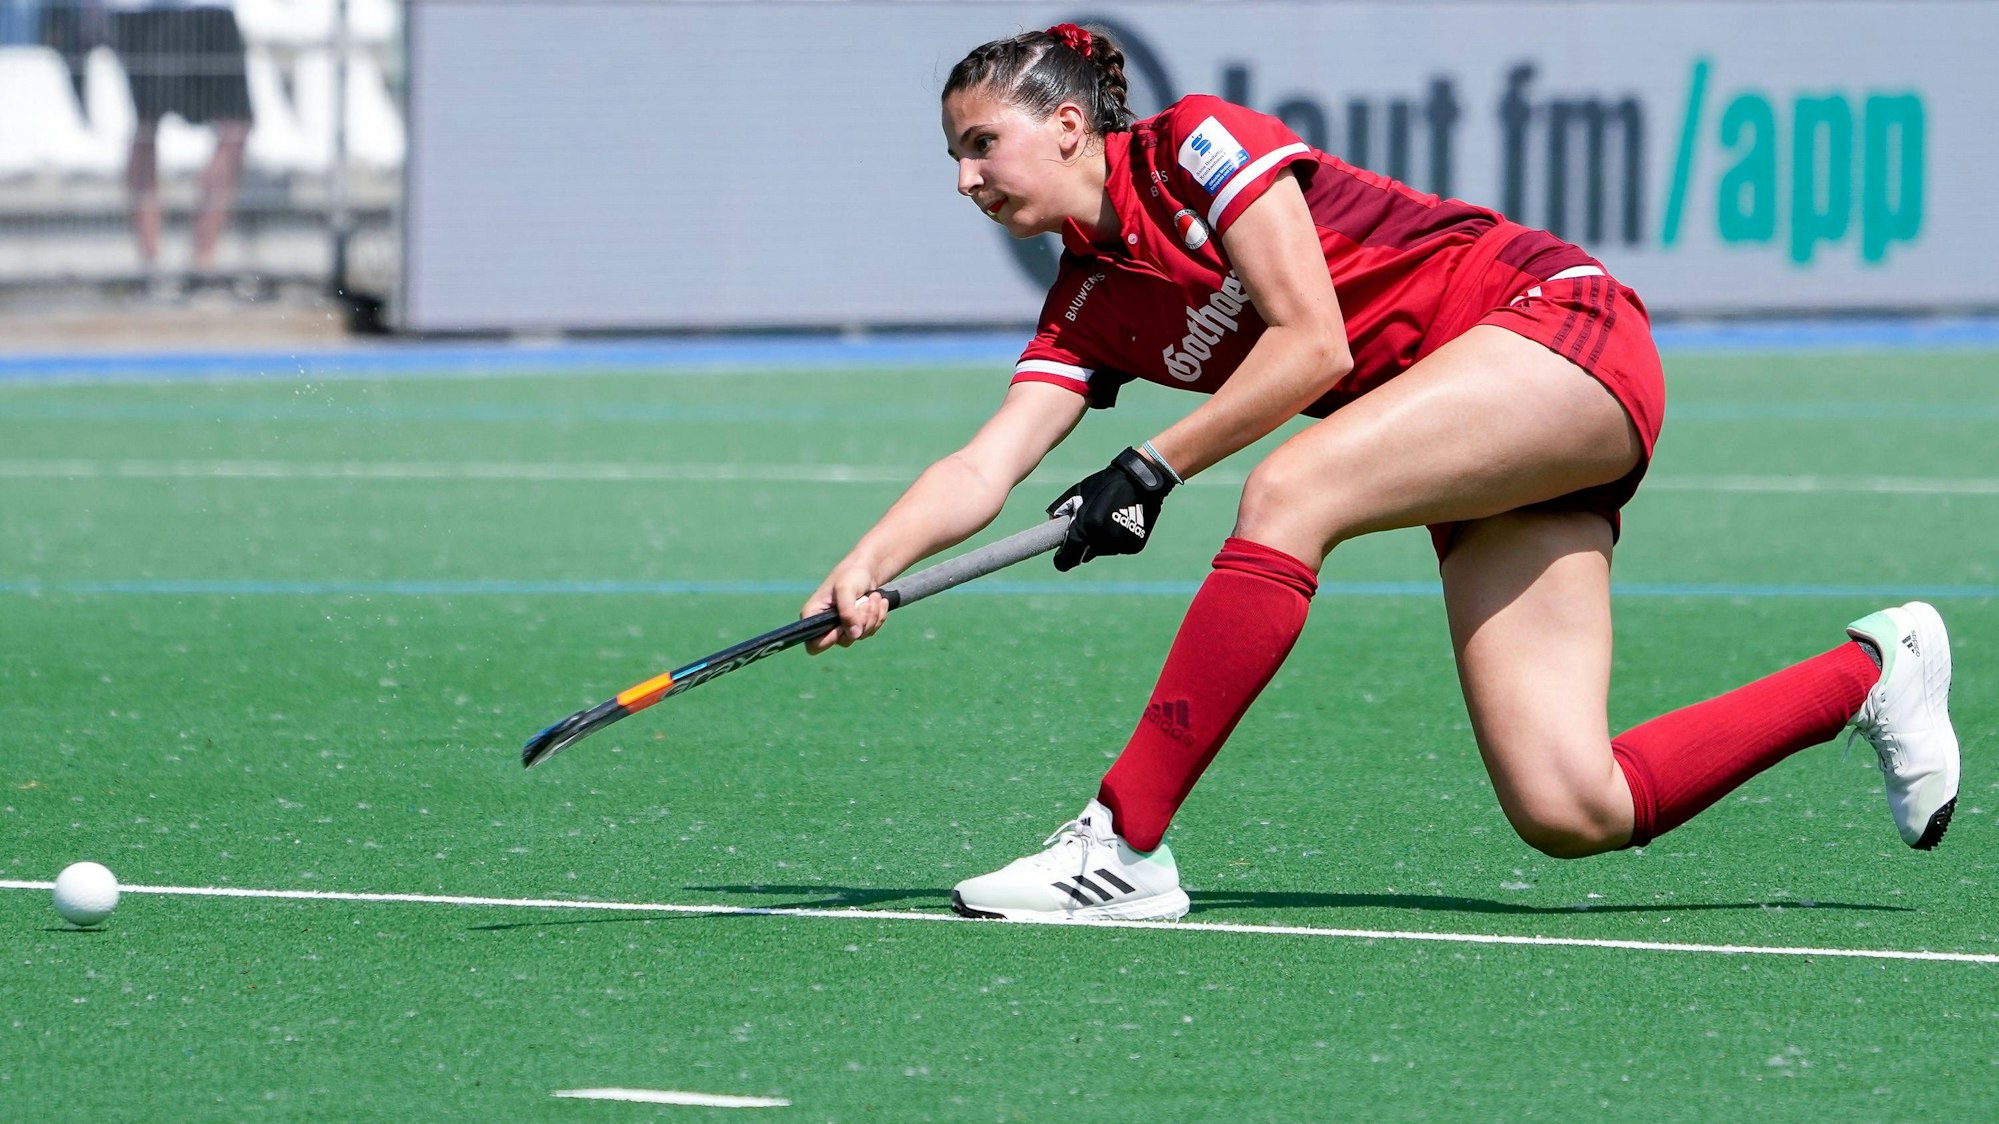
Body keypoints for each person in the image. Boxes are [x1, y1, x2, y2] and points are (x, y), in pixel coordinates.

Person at [803, 24, 1961, 922]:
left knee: (1291, 490)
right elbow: (985, 459)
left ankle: (1123, 842)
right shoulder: (1087, 304)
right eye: (953, 155)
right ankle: (1870, 671)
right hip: (1475, 438)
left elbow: (1315, 344)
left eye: (978, 144)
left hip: (1551, 329)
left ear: (1063, 124)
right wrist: (866, 567)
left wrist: (1150, 464)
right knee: (1571, 804)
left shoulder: (1198, 147)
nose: (964, 178)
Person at [106, 0, 252, 283]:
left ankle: (202, 266)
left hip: (212, 9)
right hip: (143, 12)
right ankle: (151, 268)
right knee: (147, 126)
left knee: (236, 128)